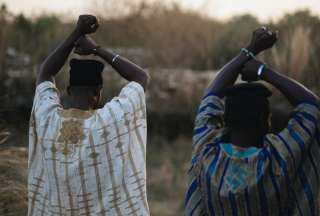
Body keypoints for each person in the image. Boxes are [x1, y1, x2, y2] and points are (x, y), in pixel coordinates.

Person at [185, 27, 320, 215]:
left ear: (226, 119)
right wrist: (263, 71)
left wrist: (250, 49)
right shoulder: (280, 157)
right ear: (263, 121)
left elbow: (211, 94)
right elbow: (312, 106)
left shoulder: (206, 151)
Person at [28, 15, 150, 216]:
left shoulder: (46, 119)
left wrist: (76, 32)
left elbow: (45, 72)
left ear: (68, 90)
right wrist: (96, 49)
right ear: (97, 93)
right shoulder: (111, 119)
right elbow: (141, 77)